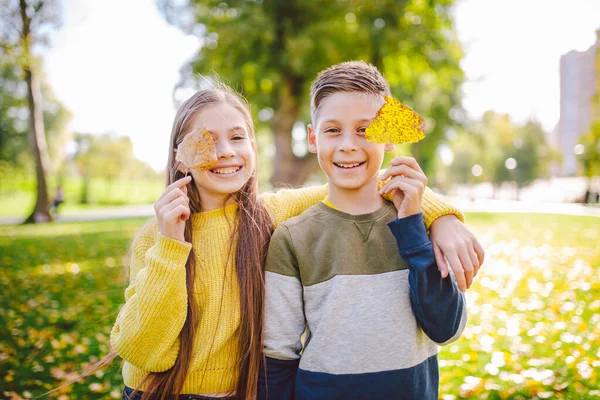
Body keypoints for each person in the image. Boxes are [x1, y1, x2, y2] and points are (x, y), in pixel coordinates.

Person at [111, 81, 481, 400]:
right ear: (180, 157)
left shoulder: (269, 215)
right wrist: (171, 247)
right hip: (156, 391)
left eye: (237, 137)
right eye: (206, 141)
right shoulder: (157, 238)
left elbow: (367, 181)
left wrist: (443, 217)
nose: (225, 151)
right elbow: (145, 352)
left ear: (253, 148)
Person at [259, 61, 469, 400]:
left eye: (364, 129)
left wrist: (414, 227)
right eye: (332, 130)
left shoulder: (424, 226)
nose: (347, 145)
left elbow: (447, 329)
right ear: (313, 139)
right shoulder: (292, 238)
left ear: (389, 136)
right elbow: (277, 357)